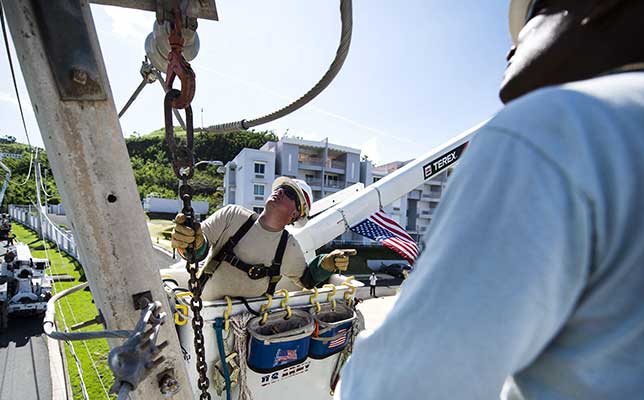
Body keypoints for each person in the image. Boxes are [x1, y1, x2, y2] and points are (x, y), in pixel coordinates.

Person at [340, 1, 644, 399]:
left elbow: (404, 386)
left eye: (529, 20)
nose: (511, 49)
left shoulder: (557, 127)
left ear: (597, 8)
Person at [171, 177, 355, 300]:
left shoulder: (289, 248)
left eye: (290, 194)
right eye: (281, 189)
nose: (280, 192)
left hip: (248, 322)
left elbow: (307, 279)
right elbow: (197, 249)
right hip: (204, 308)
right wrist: (189, 242)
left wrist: (326, 263)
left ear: (296, 214)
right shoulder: (232, 215)